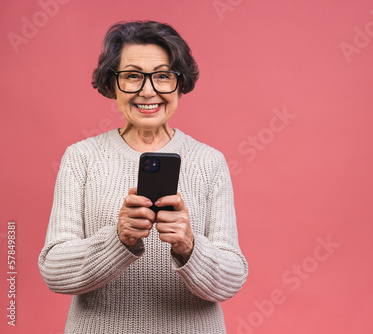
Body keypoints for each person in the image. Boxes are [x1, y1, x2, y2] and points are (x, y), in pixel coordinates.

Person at [38, 21, 248, 334]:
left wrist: (189, 248)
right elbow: (54, 271)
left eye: (163, 75)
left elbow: (231, 281)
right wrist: (117, 240)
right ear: (112, 83)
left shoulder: (209, 162)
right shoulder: (81, 158)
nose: (147, 91)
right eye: (133, 75)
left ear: (180, 83)